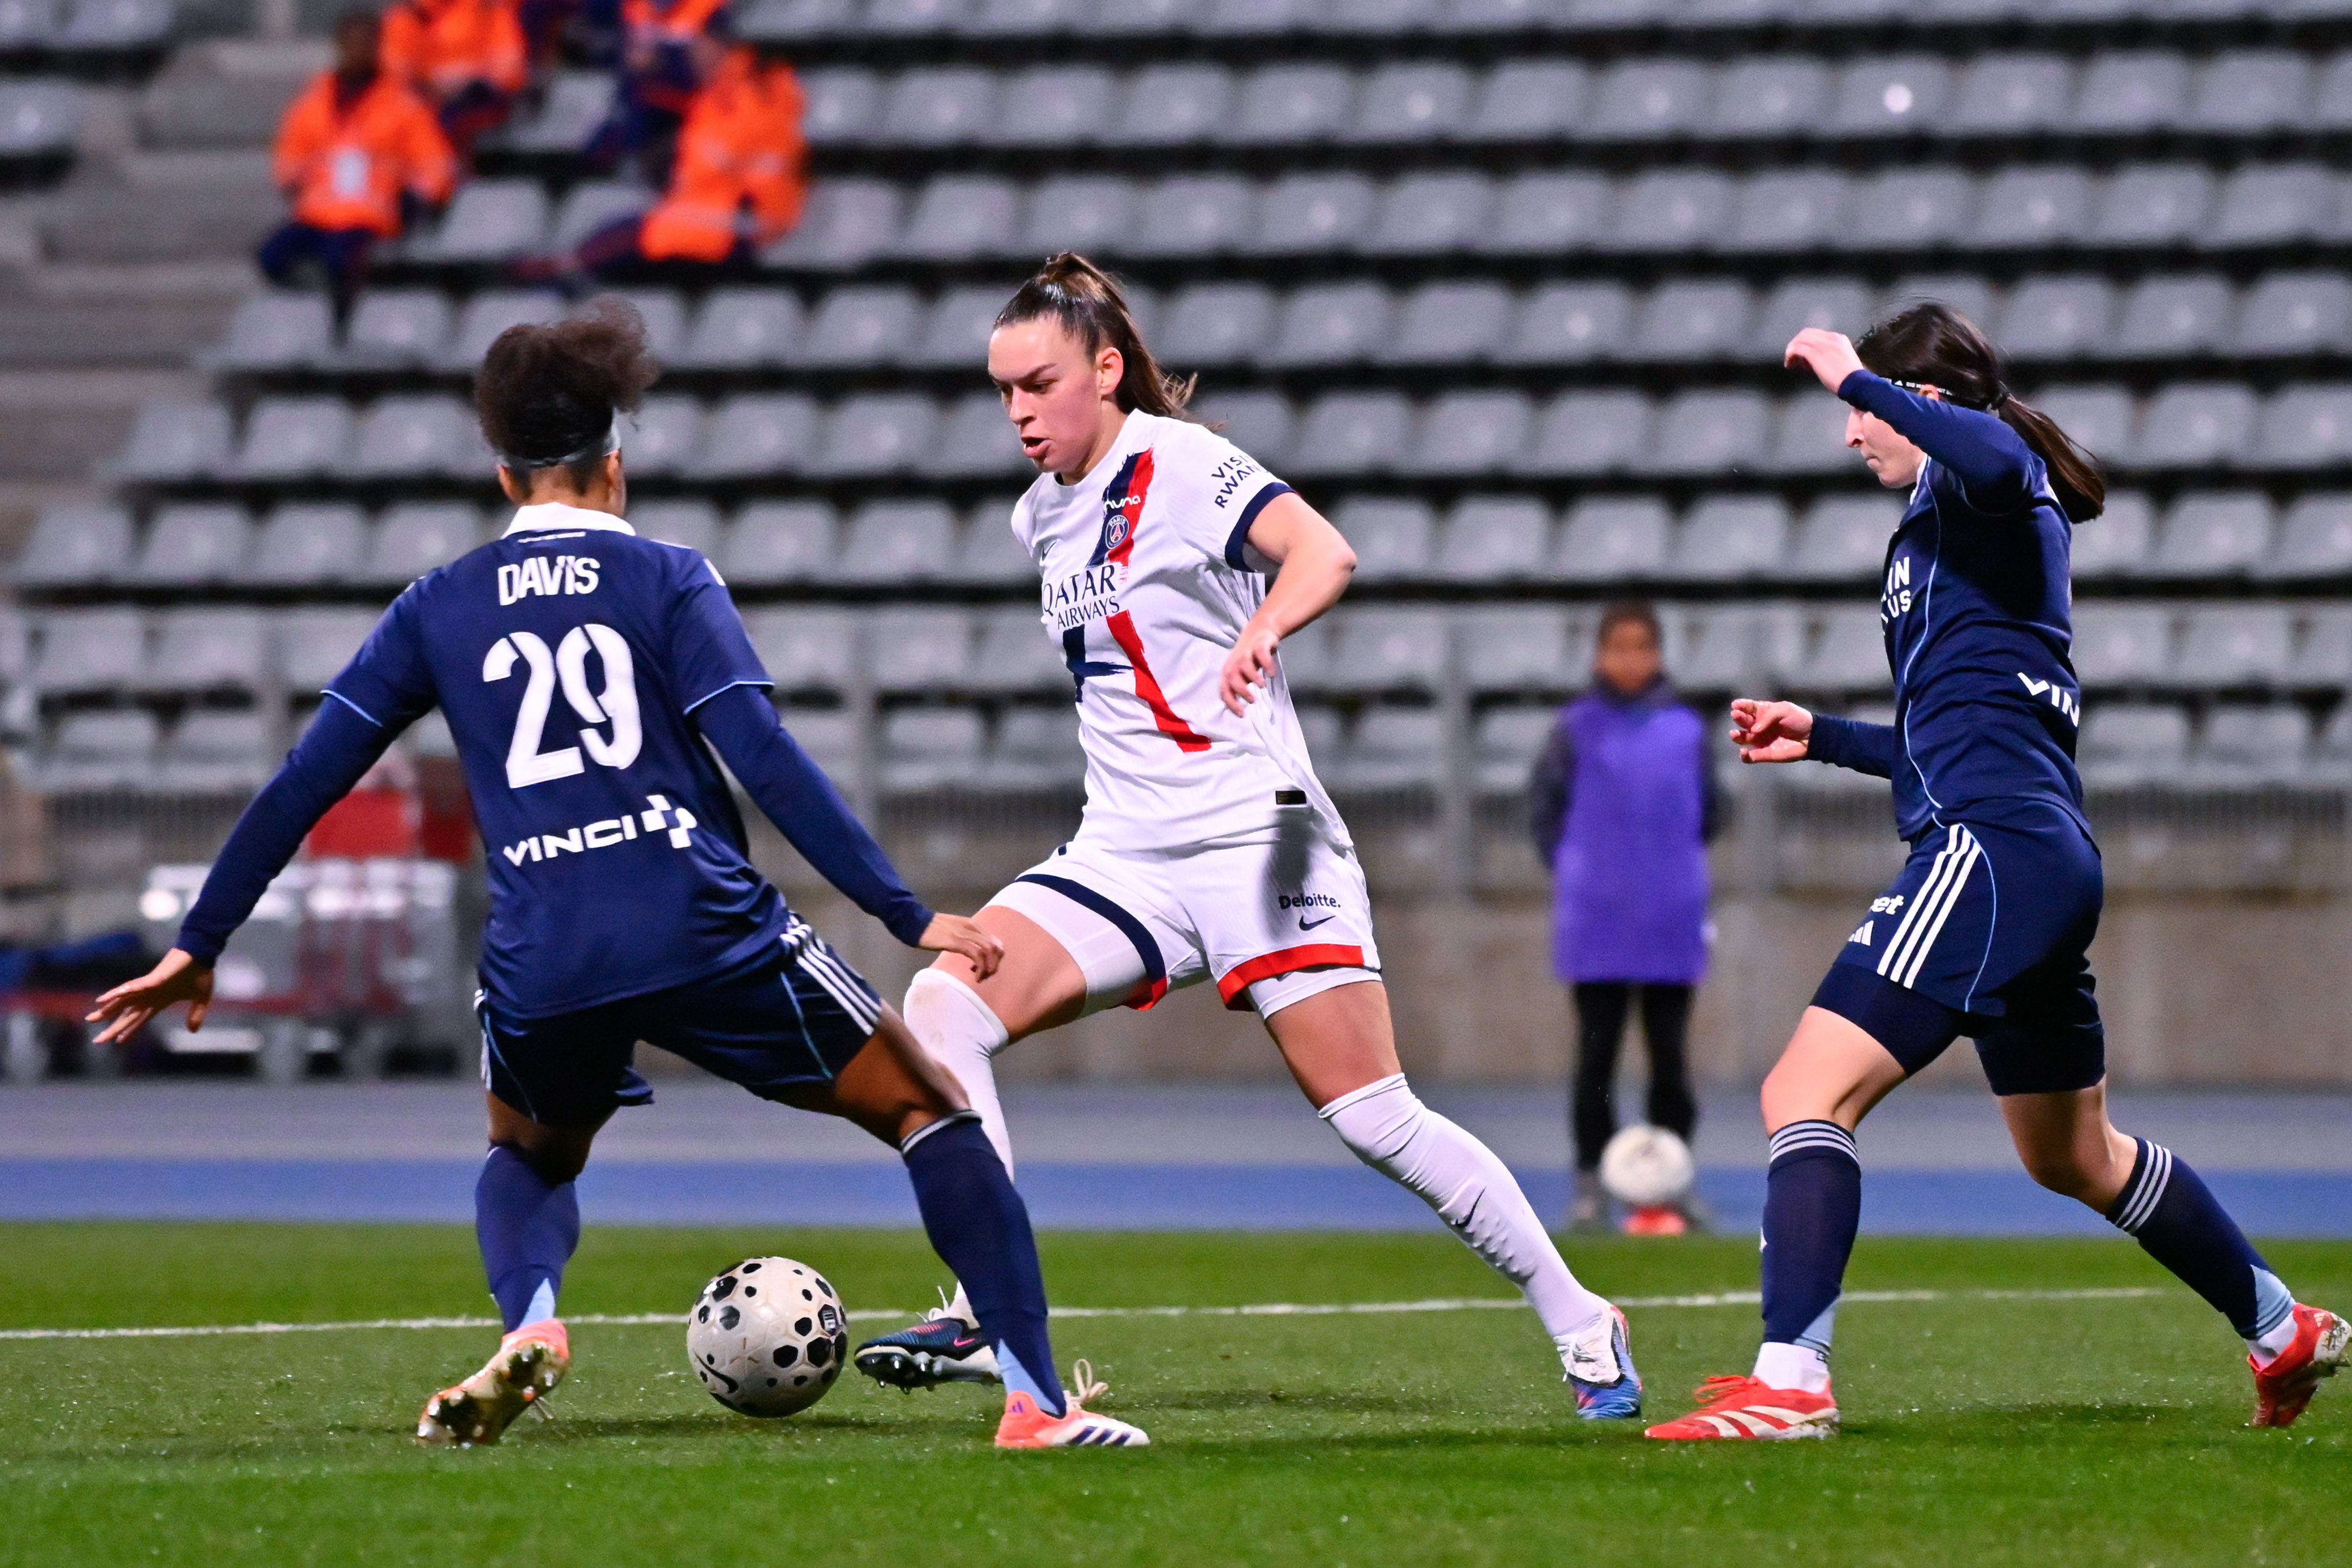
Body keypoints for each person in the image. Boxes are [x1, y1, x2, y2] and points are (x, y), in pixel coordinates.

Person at [87, 301, 1147, 1453]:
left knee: (528, 1151)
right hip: (698, 922)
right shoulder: (669, 578)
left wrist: (200, 940)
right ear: (615, 463)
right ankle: (1034, 1403)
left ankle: (532, 1324)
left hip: (543, 945)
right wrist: (903, 909)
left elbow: (305, 780)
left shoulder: (436, 605)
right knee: (928, 1108)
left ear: (503, 475)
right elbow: (762, 757)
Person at [849, 253, 1645, 1421]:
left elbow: (1324, 550)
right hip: (1124, 848)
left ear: (1104, 371)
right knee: (942, 1005)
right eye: (1003, 389)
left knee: (1371, 1113)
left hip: (1253, 835)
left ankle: (1581, 1317)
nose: (1018, 410)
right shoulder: (1041, 512)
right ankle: (985, 1306)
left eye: (1038, 383)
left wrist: (1265, 625)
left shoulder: (1179, 462)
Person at [1644, 305, 2347, 1441]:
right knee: (2074, 1155)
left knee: (1803, 1092)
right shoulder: (1952, 520)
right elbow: (1963, 726)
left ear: (1922, 401)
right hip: (2035, 852)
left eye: (1869, 412)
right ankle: (2281, 1326)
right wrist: (1822, 735)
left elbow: (1991, 447)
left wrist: (1851, 372)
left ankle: (1792, 1379)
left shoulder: (1991, 481)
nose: (1851, 434)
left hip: (1987, 849)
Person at [1528, 600, 1718, 1234]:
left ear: (1658, 654)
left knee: (1671, 1060)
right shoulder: (1575, 728)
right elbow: (1544, 809)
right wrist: (1583, 868)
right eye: (1619, 647)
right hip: (1597, 918)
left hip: (1669, 913)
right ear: (1599, 655)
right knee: (1596, 1056)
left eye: (1642, 647)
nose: (1631, 660)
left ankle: (1670, 1184)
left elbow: (1710, 813)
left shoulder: (1687, 730)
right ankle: (1591, 1182)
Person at [529, 37, 801, 287]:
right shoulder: (715, 95)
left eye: (702, 45)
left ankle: (562, 269)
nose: (695, 58)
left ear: (721, 44)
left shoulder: (752, 91)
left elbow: (731, 154)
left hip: (745, 217)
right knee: (630, 231)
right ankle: (565, 269)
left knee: (640, 234)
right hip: (715, 209)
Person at [258, 9, 457, 319]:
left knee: (341, 260)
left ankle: (341, 324)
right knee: (271, 257)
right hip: (318, 213)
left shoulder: (403, 105)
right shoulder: (313, 103)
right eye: (352, 43)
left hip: (370, 214)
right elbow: (290, 157)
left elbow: (435, 164)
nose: (359, 51)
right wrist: (294, 184)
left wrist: (412, 199)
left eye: (366, 43)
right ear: (340, 46)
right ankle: (310, 312)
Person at [379, 0, 530, 157]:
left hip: (479, 102)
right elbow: (397, 77)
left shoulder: (488, 9)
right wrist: (435, 88)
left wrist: (466, 80)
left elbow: (511, 71)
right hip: (425, 106)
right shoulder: (406, 15)